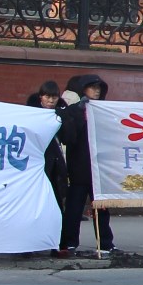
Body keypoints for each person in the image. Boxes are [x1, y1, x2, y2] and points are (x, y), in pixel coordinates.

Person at [56, 73, 115, 257]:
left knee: (102, 210)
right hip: (79, 168)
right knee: (74, 209)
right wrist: (80, 117)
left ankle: (105, 244)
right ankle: (68, 243)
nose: (96, 91)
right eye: (93, 87)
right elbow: (68, 138)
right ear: (83, 89)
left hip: (99, 169)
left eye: (99, 88)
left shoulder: (105, 111)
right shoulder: (73, 111)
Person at [27, 81, 65, 214]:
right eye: (47, 97)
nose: (51, 100)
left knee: (55, 193)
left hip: (56, 158)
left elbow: (67, 137)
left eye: (54, 97)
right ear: (41, 97)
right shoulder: (31, 114)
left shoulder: (61, 114)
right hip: (38, 159)